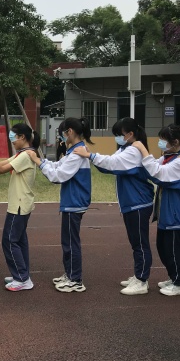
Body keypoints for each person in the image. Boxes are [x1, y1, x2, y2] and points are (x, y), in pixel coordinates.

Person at [74, 117, 155, 296]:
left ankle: (142, 280)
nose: (117, 137)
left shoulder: (134, 150)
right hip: (132, 203)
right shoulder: (126, 148)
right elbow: (109, 164)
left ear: (130, 134)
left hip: (139, 203)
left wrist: (90, 156)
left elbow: (113, 164)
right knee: (136, 242)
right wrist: (93, 157)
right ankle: (139, 275)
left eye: (119, 134)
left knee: (140, 243)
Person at [28, 118, 93, 293]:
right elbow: (57, 165)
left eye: (62, 133)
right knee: (67, 241)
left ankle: (75, 280)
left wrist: (38, 162)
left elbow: (58, 176)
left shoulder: (77, 154)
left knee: (71, 242)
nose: (61, 137)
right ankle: (70, 273)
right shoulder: (73, 152)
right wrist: (41, 160)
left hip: (74, 202)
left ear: (70, 132)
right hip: (71, 202)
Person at [130, 125, 180, 296]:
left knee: (174, 249)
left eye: (163, 140)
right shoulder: (168, 157)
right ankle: (174, 277)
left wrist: (143, 150)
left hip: (176, 213)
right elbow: (149, 168)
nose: (160, 142)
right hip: (166, 212)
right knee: (163, 247)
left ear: (175, 142)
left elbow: (158, 173)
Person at [0, 124, 39, 291]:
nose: (11, 140)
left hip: (19, 204)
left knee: (9, 241)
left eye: (13, 137)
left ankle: (22, 278)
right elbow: (1, 163)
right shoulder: (22, 153)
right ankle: (22, 274)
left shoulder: (25, 155)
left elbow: (0, 170)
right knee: (19, 240)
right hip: (20, 203)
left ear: (22, 137)